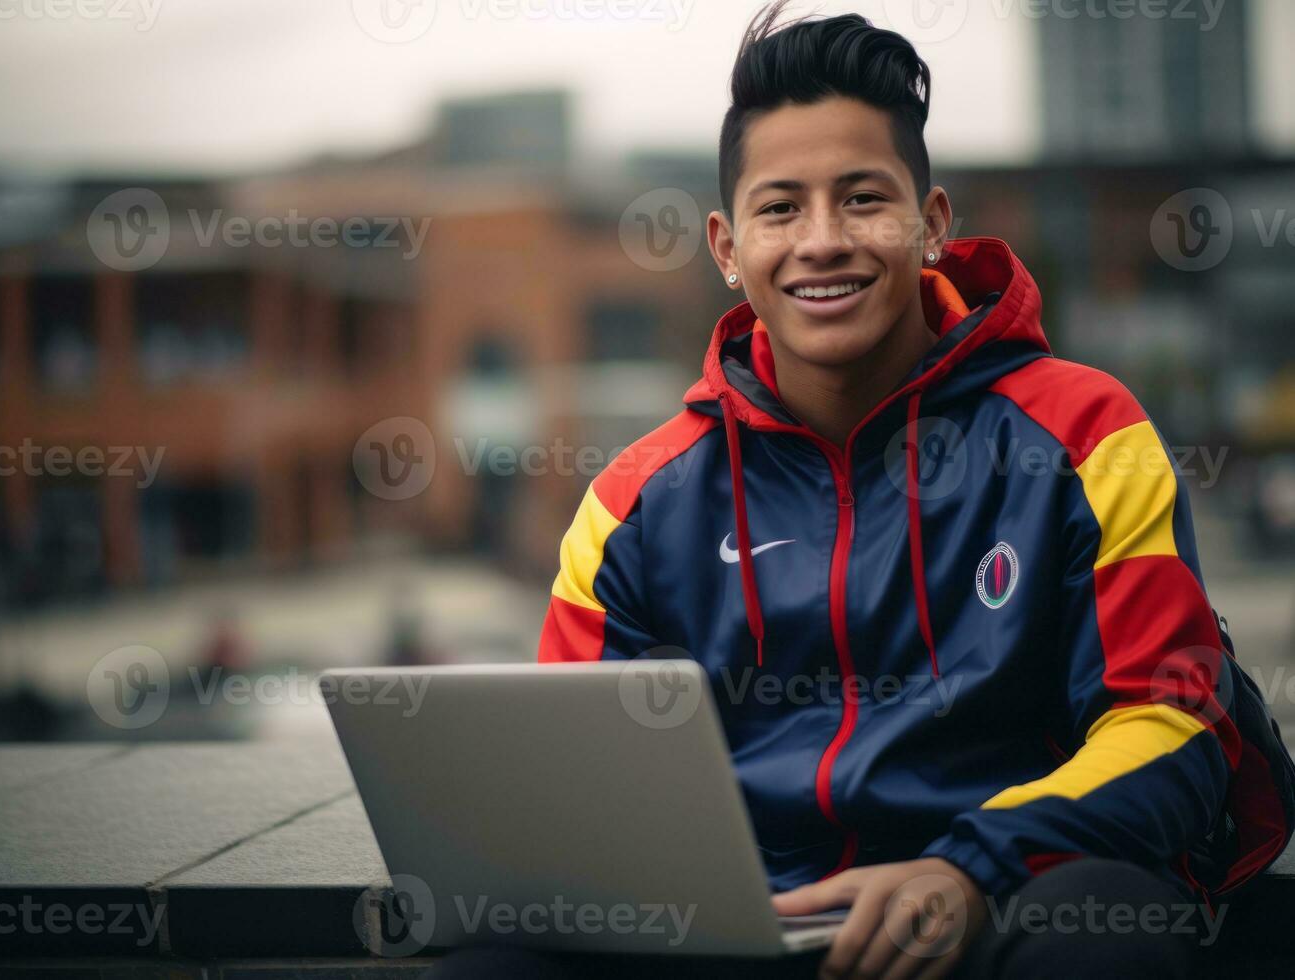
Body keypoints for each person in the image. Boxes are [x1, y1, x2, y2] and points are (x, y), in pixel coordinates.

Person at [435, 4, 1292, 977]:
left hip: (997, 905)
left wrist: (966, 867)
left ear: (928, 224)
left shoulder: (1085, 434)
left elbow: (1172, 721)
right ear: (725, 246)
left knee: (1098, 924)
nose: (821, 239)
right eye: (778, 207)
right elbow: (562, 780)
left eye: (861, 198)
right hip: (745, 932)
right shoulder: (634, 503)